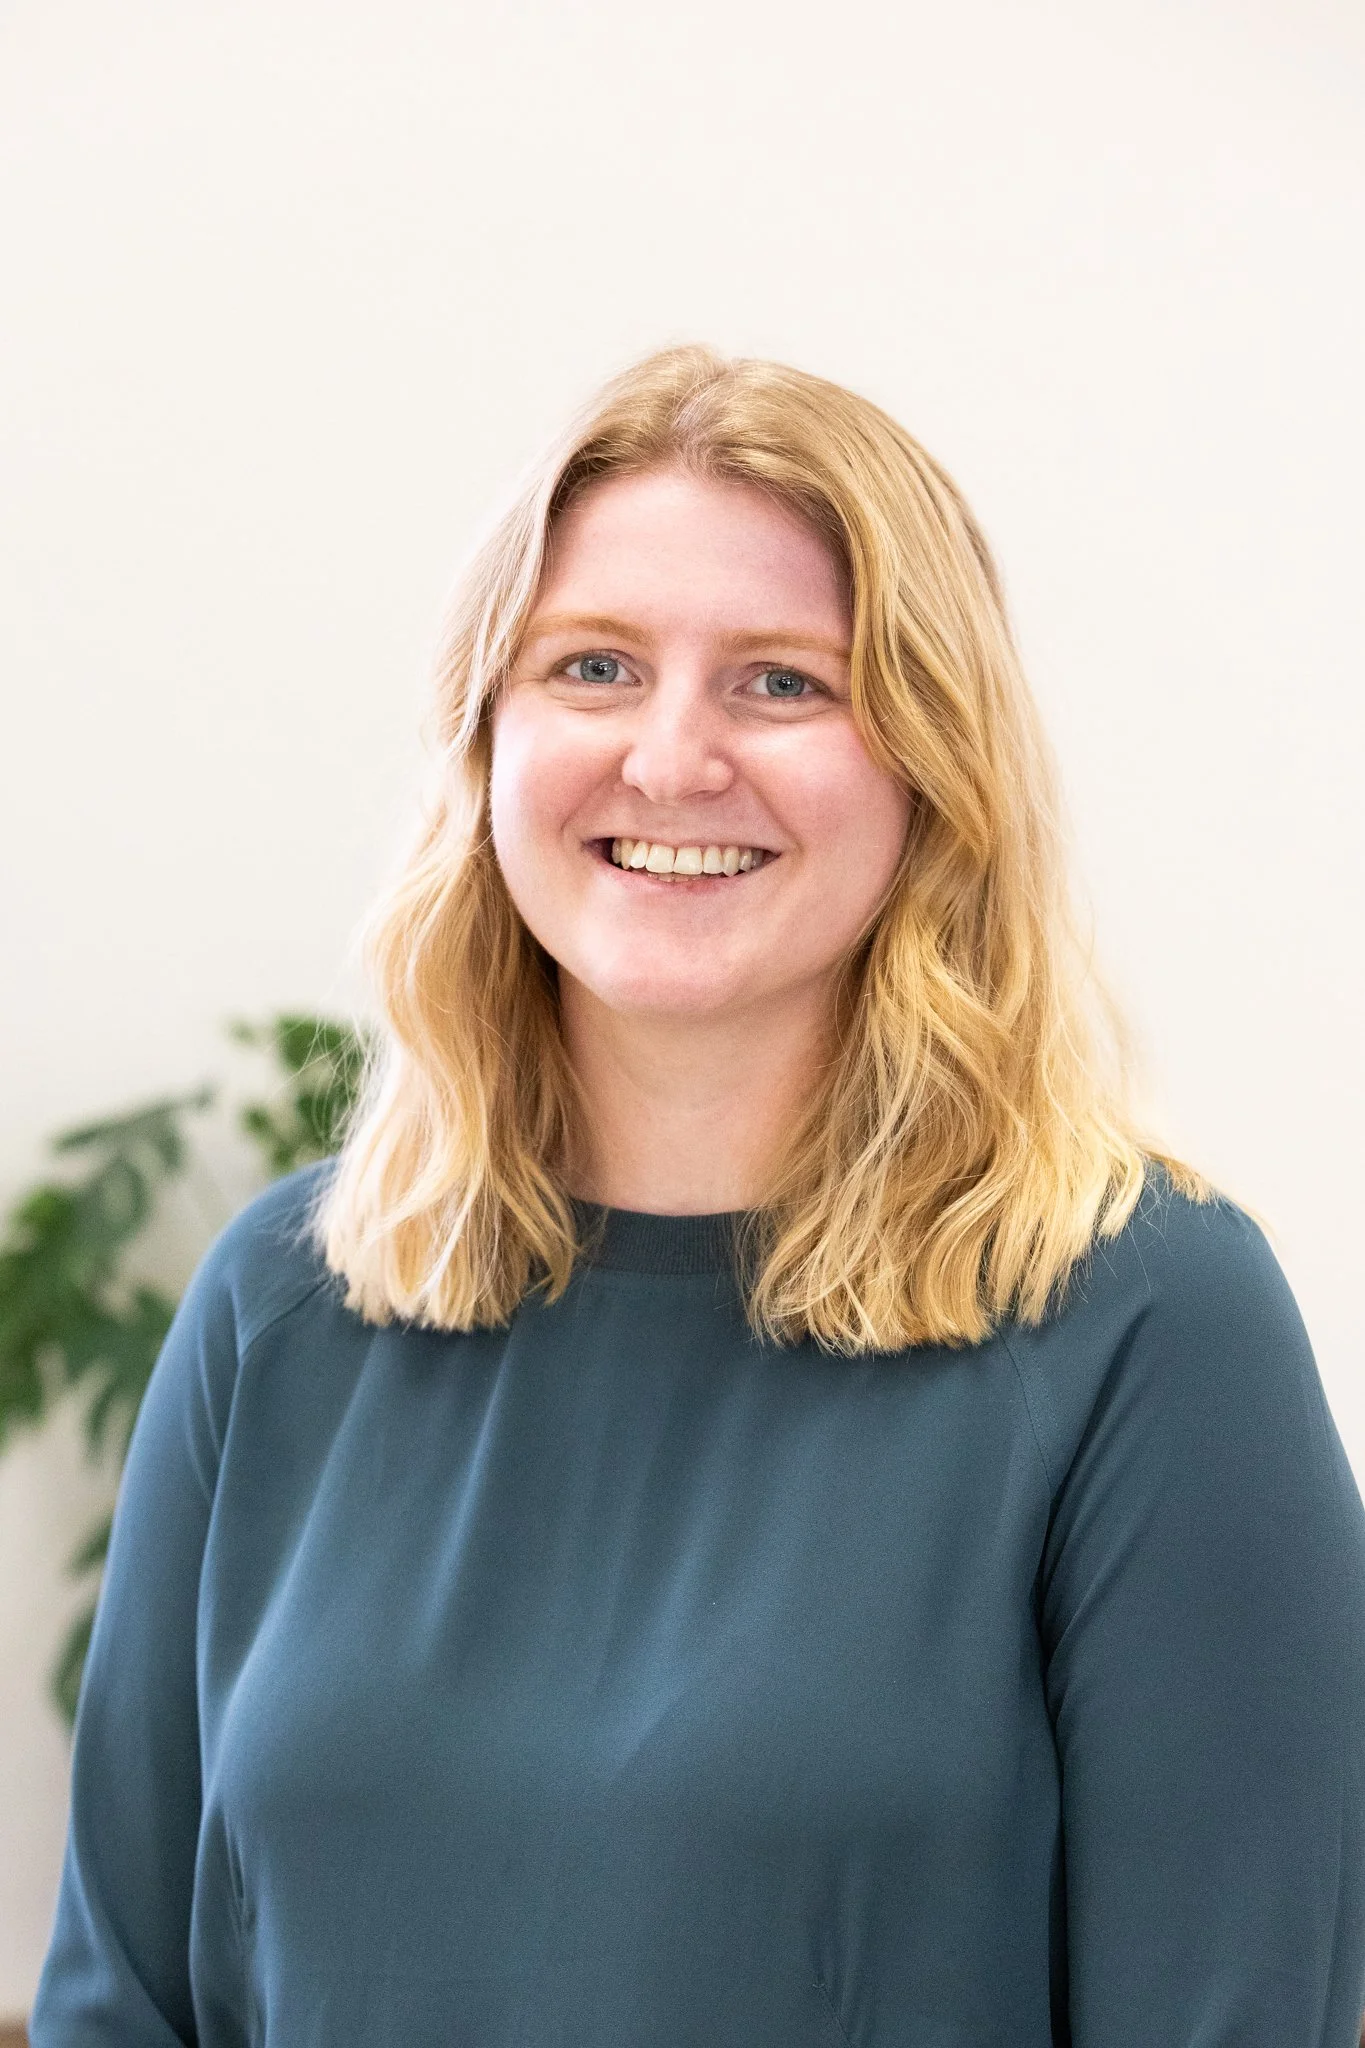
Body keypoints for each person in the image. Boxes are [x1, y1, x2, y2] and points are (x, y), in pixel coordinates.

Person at [31, 345, 1365, 2046]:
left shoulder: (1153, 1325)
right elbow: (122, 2005)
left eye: (781, 683)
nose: (671, 759)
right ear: (487, 739)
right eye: (593, 666)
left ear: (931, 765)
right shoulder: (285, 1305)